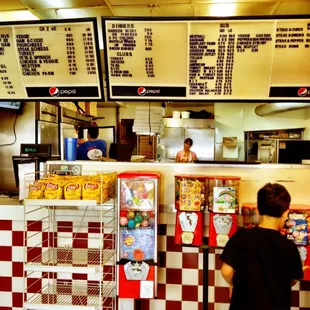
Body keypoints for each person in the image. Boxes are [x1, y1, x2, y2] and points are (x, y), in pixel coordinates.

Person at [220, 183, 308, 310]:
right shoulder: (289, 247)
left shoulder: (241, 236)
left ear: (257, 210)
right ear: (285, 213)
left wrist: (233, 284)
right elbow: (292, 280)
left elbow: (226, 271)